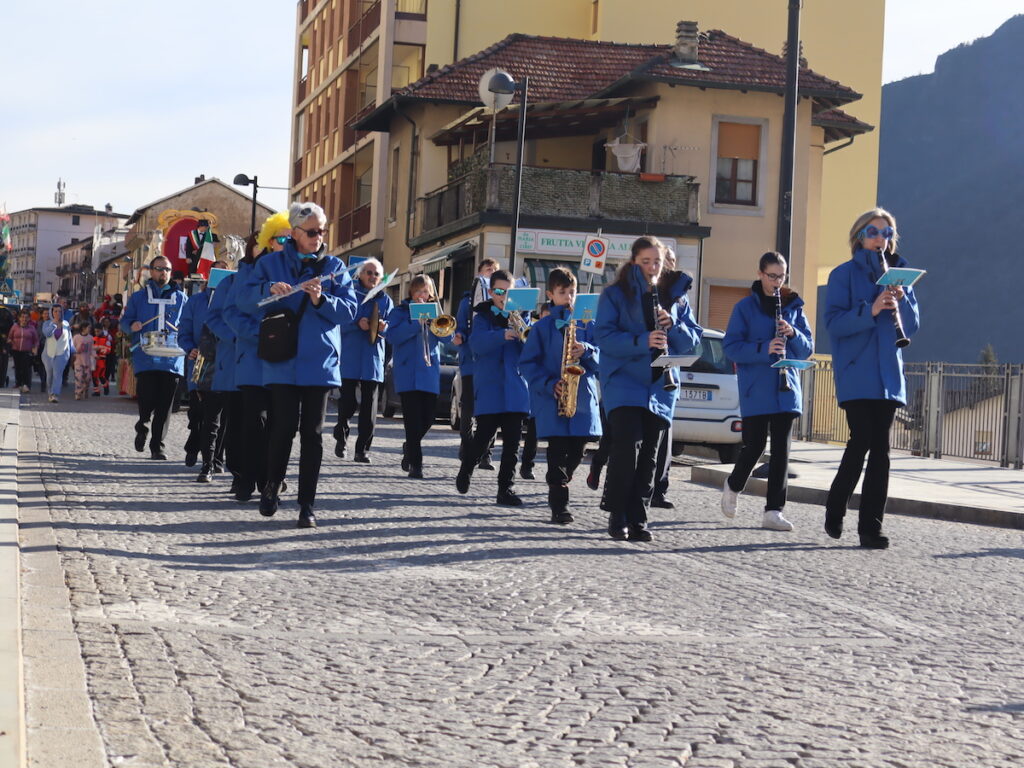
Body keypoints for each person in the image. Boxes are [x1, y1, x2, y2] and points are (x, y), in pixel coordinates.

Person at [238, 202, 357, 528]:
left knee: (313, 435)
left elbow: (349, 311)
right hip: (282, 360)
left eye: (322, 231)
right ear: (294, 233)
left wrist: (322, 299)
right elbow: (243, 299)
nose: (319, 237)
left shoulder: (334, 266)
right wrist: (267, 290)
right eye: (312, 231)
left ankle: (307, 504)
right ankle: (272, 486)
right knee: (282, 428)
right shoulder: (271, 263)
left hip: (319, 362)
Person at [823, 208, 920, 549]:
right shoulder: (843, 275)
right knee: (864, 441)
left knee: (880, 451)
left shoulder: (899, 275)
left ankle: (869, 529)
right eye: (874, 231)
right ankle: (837, 505)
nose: (882, 238)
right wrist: (872, 309)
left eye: (888, 232)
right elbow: (834, 324)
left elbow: (914, 325)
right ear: (860, 237)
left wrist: (902, 302)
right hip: (856, 373)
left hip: (889, 377)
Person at [594, 236, 702, 542]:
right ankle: (618, 514)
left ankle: (639, 518)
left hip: (661, 385)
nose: (652, 267)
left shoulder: (676, 298)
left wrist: (674, 326)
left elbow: (694, 342)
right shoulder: (615, 294)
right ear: (634, 261)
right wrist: (642, 341)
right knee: (627, 448)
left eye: (657, 261)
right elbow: (604, 336)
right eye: (646, 261)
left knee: (650, 458)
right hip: (624, 381)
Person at [721, 251, 814, 531]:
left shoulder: (793, 307)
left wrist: (793, 333)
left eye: (781, 276)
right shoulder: (744, 308)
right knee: (756, 445)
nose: (777, 281)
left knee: (782, 450)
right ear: (760, 274)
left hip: (786, 388)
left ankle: (773, 511)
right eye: (771, 276)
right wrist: (764, 349)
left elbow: (807, 348)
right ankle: (733, 484)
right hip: (756, 387)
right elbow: (731, 347)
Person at [520, 268, 601, 524]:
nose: (568, 298)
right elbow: (528, 363)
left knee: (577, 452)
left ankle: (562, 480)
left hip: (582, 401)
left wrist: (586, 350)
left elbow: (605, 359)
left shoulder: (588, 324)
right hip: (552, 398)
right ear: (550, 295)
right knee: (556, 454)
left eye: (572, 292)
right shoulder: (542, 327)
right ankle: (559, 506)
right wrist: (548, 383)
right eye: (562, 293)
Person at [226, 214, 291, 502]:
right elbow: (230, 313)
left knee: (280, 425)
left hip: (285, 361)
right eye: (279, 238)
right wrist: (263, 333)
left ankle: (271, 480)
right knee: (253, 423)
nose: (284, 244)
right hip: (253, 356)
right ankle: (246, 479)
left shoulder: (293, 270)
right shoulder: (245, 274)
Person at [454, 269, 531, 506]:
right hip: (491, 388)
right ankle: (467, 467)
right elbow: (477, 345)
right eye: (499, 291)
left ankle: (505, 489)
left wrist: (523, 335)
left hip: (516, 389)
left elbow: (530, 350)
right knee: (482, 439)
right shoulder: (482, 317)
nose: (504, 296)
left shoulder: (522, 317)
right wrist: (502, 335)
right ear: (491, 292)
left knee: (512, 445)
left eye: (509, 292)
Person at [121, 255, 188, 459]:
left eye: (167, 269)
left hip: (172, 360)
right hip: (146, 357)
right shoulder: (138, 297)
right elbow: (125, 321)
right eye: (159, 269)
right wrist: (131, 326)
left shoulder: (183, 298)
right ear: (151, 271)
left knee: (165, 406)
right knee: (146, 401)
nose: (163, 273)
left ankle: (157, 446)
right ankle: (142, 425)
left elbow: (190, 324)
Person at [386, 274, 452, 478]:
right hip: (407, 372)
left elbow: (448, 338)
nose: (422, 295)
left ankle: (410, 446)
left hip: (428, 371)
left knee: (428, 418)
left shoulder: (435, 312)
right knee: (412, 421)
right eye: (418, 291)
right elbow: (392, 336)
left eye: (425, 291)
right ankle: (416, 465)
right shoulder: (400, 312)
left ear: (430, 294)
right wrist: (415, 323)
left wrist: (435, 321)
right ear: (411, 293)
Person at [334, 257, 392, 463]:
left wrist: (385, 327)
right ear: (360, 274)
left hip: (373, 359)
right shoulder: (350, 293)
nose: (372, 276)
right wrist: (357, 323)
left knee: (369, 410)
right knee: (348, 404)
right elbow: (339, 322)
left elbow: (392, 328)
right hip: (350, 357)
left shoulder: (386, 299)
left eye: (376, 273)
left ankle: (362, 449)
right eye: (369, 272)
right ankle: (341, 435)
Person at [453, 259, 498, 469]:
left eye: (495, 271)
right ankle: (467, 446)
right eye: (488, 271)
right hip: (471, 361)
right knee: (468, 407)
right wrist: (459, 335)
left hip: (491, 362)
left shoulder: (501, 302)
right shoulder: (467, 301)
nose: (492, 274)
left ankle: (486, 452)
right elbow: (460, 326)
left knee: (491, 408)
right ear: (479, 275)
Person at [40, 305, 72, 403]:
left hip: (62, 353)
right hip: (48, 353)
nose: (57, 313)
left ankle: (55, 394)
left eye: (59, 311)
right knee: (49, 374)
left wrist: (73, 351)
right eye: (55, 311)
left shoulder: (66, 324)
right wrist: (53, 325)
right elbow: (47, 333)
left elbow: (69, 338)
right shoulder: (47, 323)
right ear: (52, 313)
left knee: (58, 374)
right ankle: (50, 392)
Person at [9, 310, 37, 393]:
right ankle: (18, 384)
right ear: (19, 318)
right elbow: (10, 337)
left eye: (26, 317)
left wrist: (35, 348)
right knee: (18, 368)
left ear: (29, 318)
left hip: (27, 351)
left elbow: (36, 340)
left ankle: (26, 385)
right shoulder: (14, 327)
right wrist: (10, 343)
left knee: (26, 369)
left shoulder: (31, 328)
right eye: (22, 317)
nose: (24, 319)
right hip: (16, 350)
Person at [71, 320, 96, 400]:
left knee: (88, 378)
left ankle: (85, 389)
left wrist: (95, 355)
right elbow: (72, 348)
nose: (90, 329)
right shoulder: (76, 337)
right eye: (88, 327)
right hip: (78, 361)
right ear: (83, 328)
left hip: (87, 361)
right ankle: (78, 393)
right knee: (79, 377)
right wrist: (76, 351)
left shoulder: (91, 338)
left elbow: (92, 348)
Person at [92, 321, 113, 395]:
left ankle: (106, 386)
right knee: (94, 376)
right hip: (94, 360)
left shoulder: (106, 339)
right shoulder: (93, 339)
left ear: (101, 330)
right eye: (95, 331)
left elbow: (108, 350)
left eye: (98, 331)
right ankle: (96, 391)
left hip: (101, 360)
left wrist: (100, 350)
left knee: (101, 376)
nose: (96, 332)